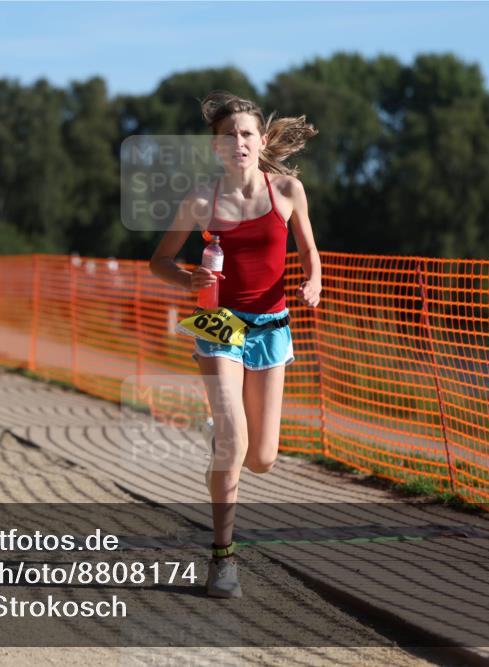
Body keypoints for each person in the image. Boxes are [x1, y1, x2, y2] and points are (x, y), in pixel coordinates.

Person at [149, 91, 321, 598]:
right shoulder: (202, 200)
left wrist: (313, 282)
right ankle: (223, 560)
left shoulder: (288, 189)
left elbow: (310, 252)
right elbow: (159, 261)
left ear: (260, 141)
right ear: (216, 147)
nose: (239, 143)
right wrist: (188, 280)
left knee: (263, 457)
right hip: (218, 323)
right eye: (229, 136)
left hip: (271, 326)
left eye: (247, 134)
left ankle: (226, 441)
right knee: (235, 443)